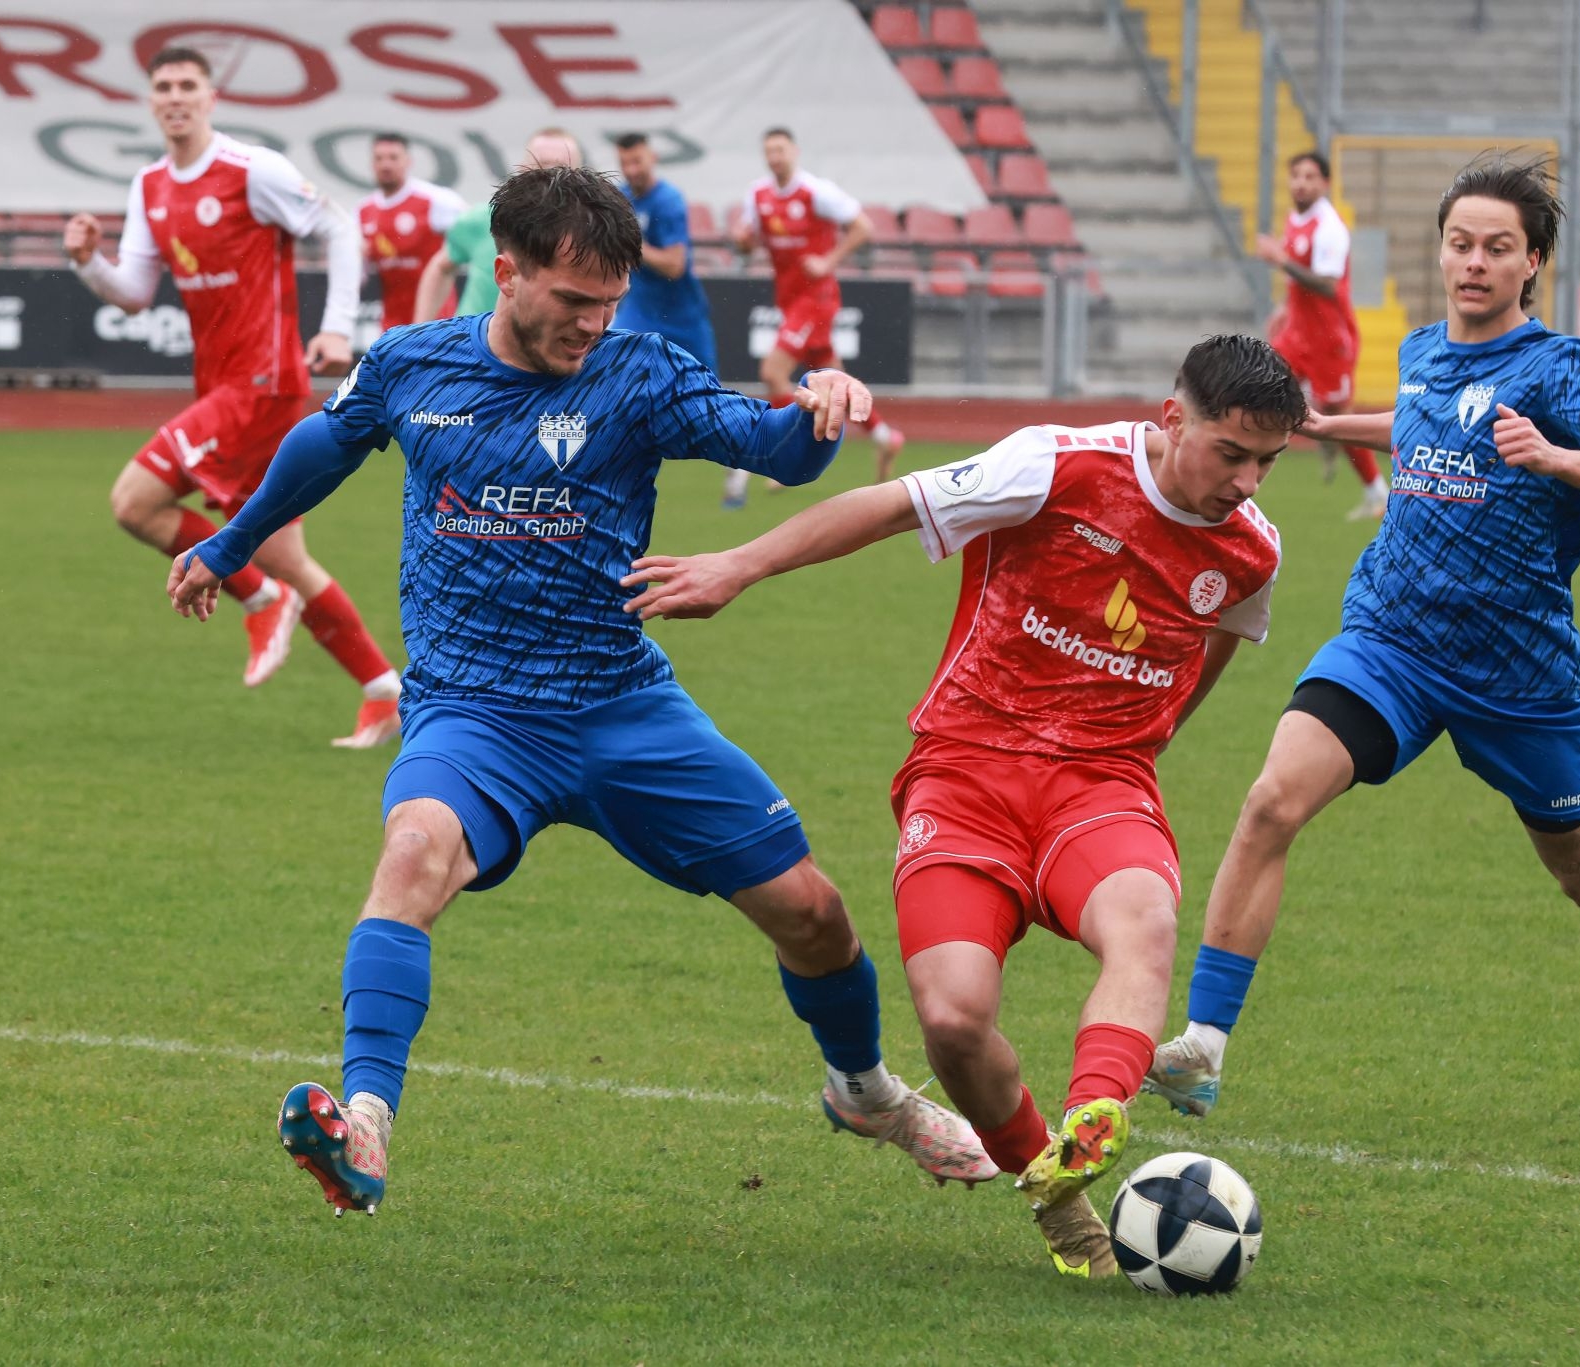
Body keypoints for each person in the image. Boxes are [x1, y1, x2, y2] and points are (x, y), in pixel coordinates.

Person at [165, 165, 996, 1216]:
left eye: (609, 301)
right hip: (473, 710)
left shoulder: (639, 372)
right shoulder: (412, 365)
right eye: (572, 301)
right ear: (505, 273)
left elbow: (770, 444)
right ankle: (365, 1122)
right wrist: (232, 539)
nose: (595, 324)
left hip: (621, 704)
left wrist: (820, 411)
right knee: (414, 853)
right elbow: (324, 444)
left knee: (816, 914)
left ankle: (866, 1089)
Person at [621, 336, 1306, 1278]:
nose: (1248, 480)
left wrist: (1145, 741)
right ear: (1172, 417)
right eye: (1232, 453)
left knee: (1141, 919)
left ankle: (1098, 1107)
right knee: (951, 1018)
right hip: (966, 773)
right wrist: (740, 565)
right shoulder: (1056, 465)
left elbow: (1217, 635)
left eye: (1267, 461)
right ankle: (1057, 1197)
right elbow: (886, 505)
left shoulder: (1252, 548)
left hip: (1100, 782)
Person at [1145, 156, 1580, 1122]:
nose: (1473, 262)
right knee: (1271, 801)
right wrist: (1321, 423)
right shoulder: (1424, 349)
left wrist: (1552, 455)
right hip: (1390, 640)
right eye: (1459, 243)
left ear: (1531, 261)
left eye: (1496, 248)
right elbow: (1424, 423)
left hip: (1518, 672)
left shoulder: (1563, 368)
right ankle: (1204, 1044)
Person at [64, 45, 402, 747]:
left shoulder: (252, 170)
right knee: (286, 556)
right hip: (223, 386)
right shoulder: (150, 184)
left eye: (189, 84)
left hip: (264, 384)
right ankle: (383, 690)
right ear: (152, 101)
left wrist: (337, 329)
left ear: (211, 97)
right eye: (164, 86)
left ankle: (254, 595)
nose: (176, 96)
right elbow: (131, 294)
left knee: (135, 501)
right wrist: (87, 261)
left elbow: (340, 226)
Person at [725, 127, 903, 509]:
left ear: (794, 152)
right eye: (769, 151)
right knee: (834, 380)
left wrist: (829, 261)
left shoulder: (816, 191)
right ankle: (885, 437)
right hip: (791, 299)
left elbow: (863, 226)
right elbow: (750, 239)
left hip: (816, 299)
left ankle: (783, 453)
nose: (775, 157)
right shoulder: (758, 195)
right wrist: (742, 241)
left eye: (780, 149)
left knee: (773, 371)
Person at [1254, 151, 1389, 522]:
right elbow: (1300, 278)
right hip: (1298, 334)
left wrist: (1280, 260)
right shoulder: (1296, 218)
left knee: (1337, 419)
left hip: (1331, 340)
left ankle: (1379, 492)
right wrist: (1285, 306)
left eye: (1310, 176)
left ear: (1325, 183)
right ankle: (1241, 480)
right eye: (1295, 175)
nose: (1301, 182)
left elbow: (1328, 286)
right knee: (1259, 389)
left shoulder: (1329, 227)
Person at [413, 128, 581, 324]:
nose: (549, 173)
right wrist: (419, 330)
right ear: (523, 168)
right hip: (471, 343)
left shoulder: (588, 230)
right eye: (541, 164)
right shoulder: (485, 218)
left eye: (560, 166)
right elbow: (441, 267)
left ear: (577, 173)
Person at [611, 132, 718, 372]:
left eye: (637, 161)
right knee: (615, 368)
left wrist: (630, 243)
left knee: (708, 389)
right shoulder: (619, 198)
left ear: (653, 158)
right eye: (624, 163)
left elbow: (674, 265)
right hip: (640, 308)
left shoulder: (668, 200)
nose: (631, 170)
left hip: (681, 315)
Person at [356, 133, 468, 333]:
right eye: (379, 158)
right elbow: (358, 272)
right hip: (393, 324)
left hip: (438, 322)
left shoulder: (436, 200)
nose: (386, 165)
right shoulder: (364, 211)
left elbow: (476, 231)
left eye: (393, 157)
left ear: (408, 161)